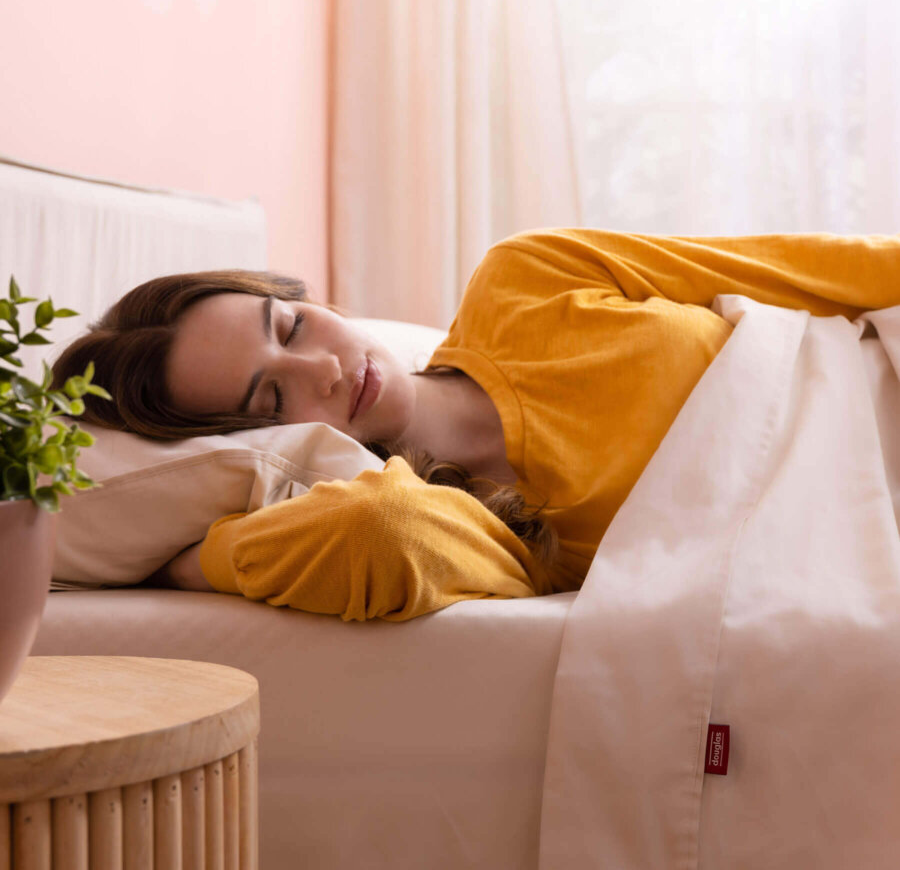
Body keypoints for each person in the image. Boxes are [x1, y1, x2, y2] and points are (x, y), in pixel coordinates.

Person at [51, 228, 900, 621]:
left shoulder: (523, 277)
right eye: (271, 402)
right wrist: (188, 562)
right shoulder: (457, 517)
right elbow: (376, 530)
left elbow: (818, 274)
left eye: (292, 327)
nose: (324, 370)